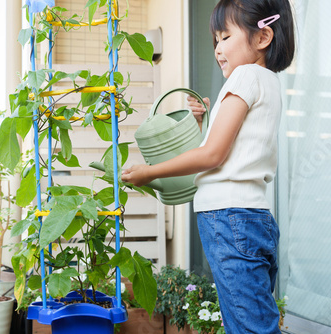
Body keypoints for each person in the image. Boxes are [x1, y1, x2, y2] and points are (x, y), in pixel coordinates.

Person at [122, 0, 295, 332]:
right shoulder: (268, 81)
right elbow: (232, 153)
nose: (218, 49)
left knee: (248, 327)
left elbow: (213, 155)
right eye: (215, 39)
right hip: (253, 218)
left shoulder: (244, 76)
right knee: (253, 319)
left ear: (262, 38)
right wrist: (203, 121)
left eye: (226, 36)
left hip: (230, 218)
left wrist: (150, 171)